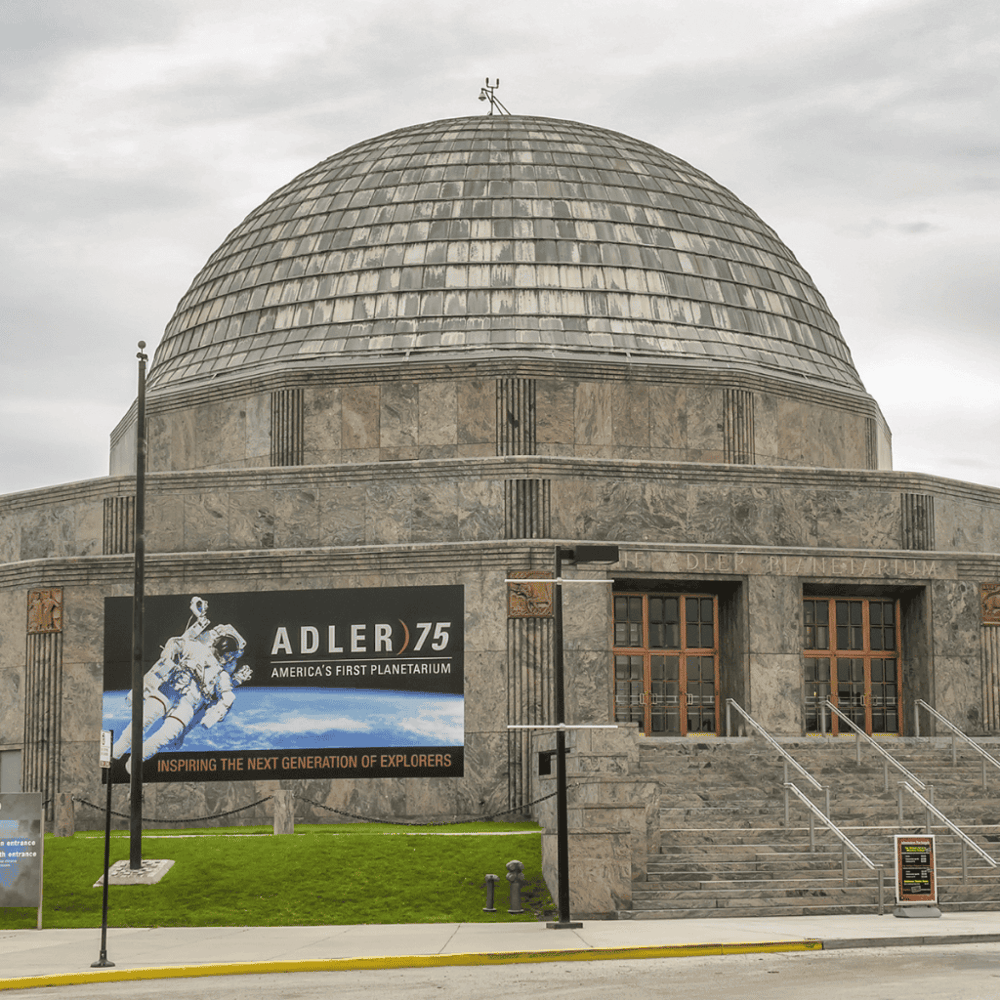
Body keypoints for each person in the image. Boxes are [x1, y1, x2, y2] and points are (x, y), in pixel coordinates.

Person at [113, 596, 251, 765]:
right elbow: (176, 644)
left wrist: (215, 714)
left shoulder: (220, 674)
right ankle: (117, 752)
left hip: (187, 703)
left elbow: (226, 695)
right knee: (145, 722)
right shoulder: (199, 649)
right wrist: (168, 658)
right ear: (228, 655)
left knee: (164, 733)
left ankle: (133, 763)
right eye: (230, 656)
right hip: (172, 689)